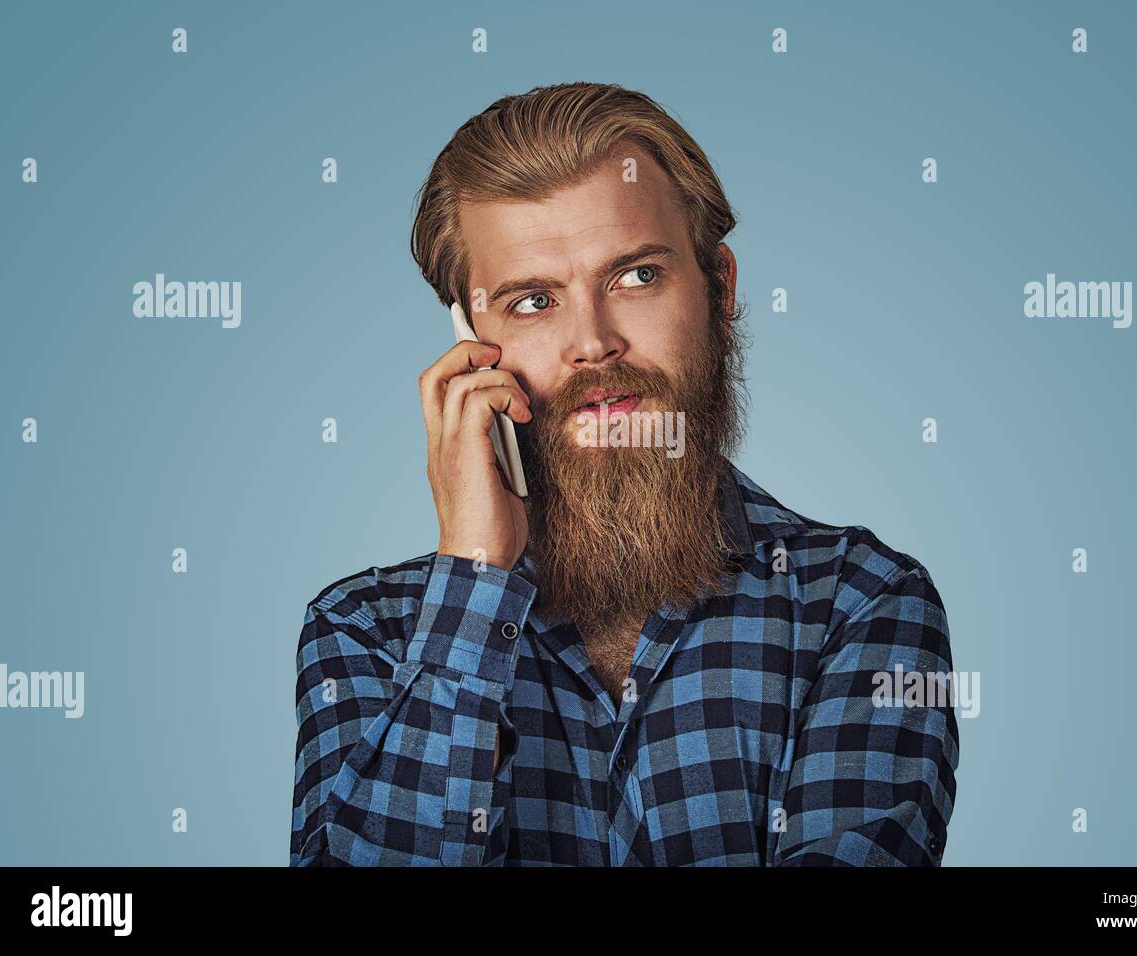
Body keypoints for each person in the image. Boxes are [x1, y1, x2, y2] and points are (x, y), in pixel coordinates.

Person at [291, 81, 958, 866]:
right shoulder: (364, 633)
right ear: (470, 342)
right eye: (534, 300)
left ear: (721, 289)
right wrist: (472, 582)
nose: (593, 343)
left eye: (637, 276)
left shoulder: (864, 604)